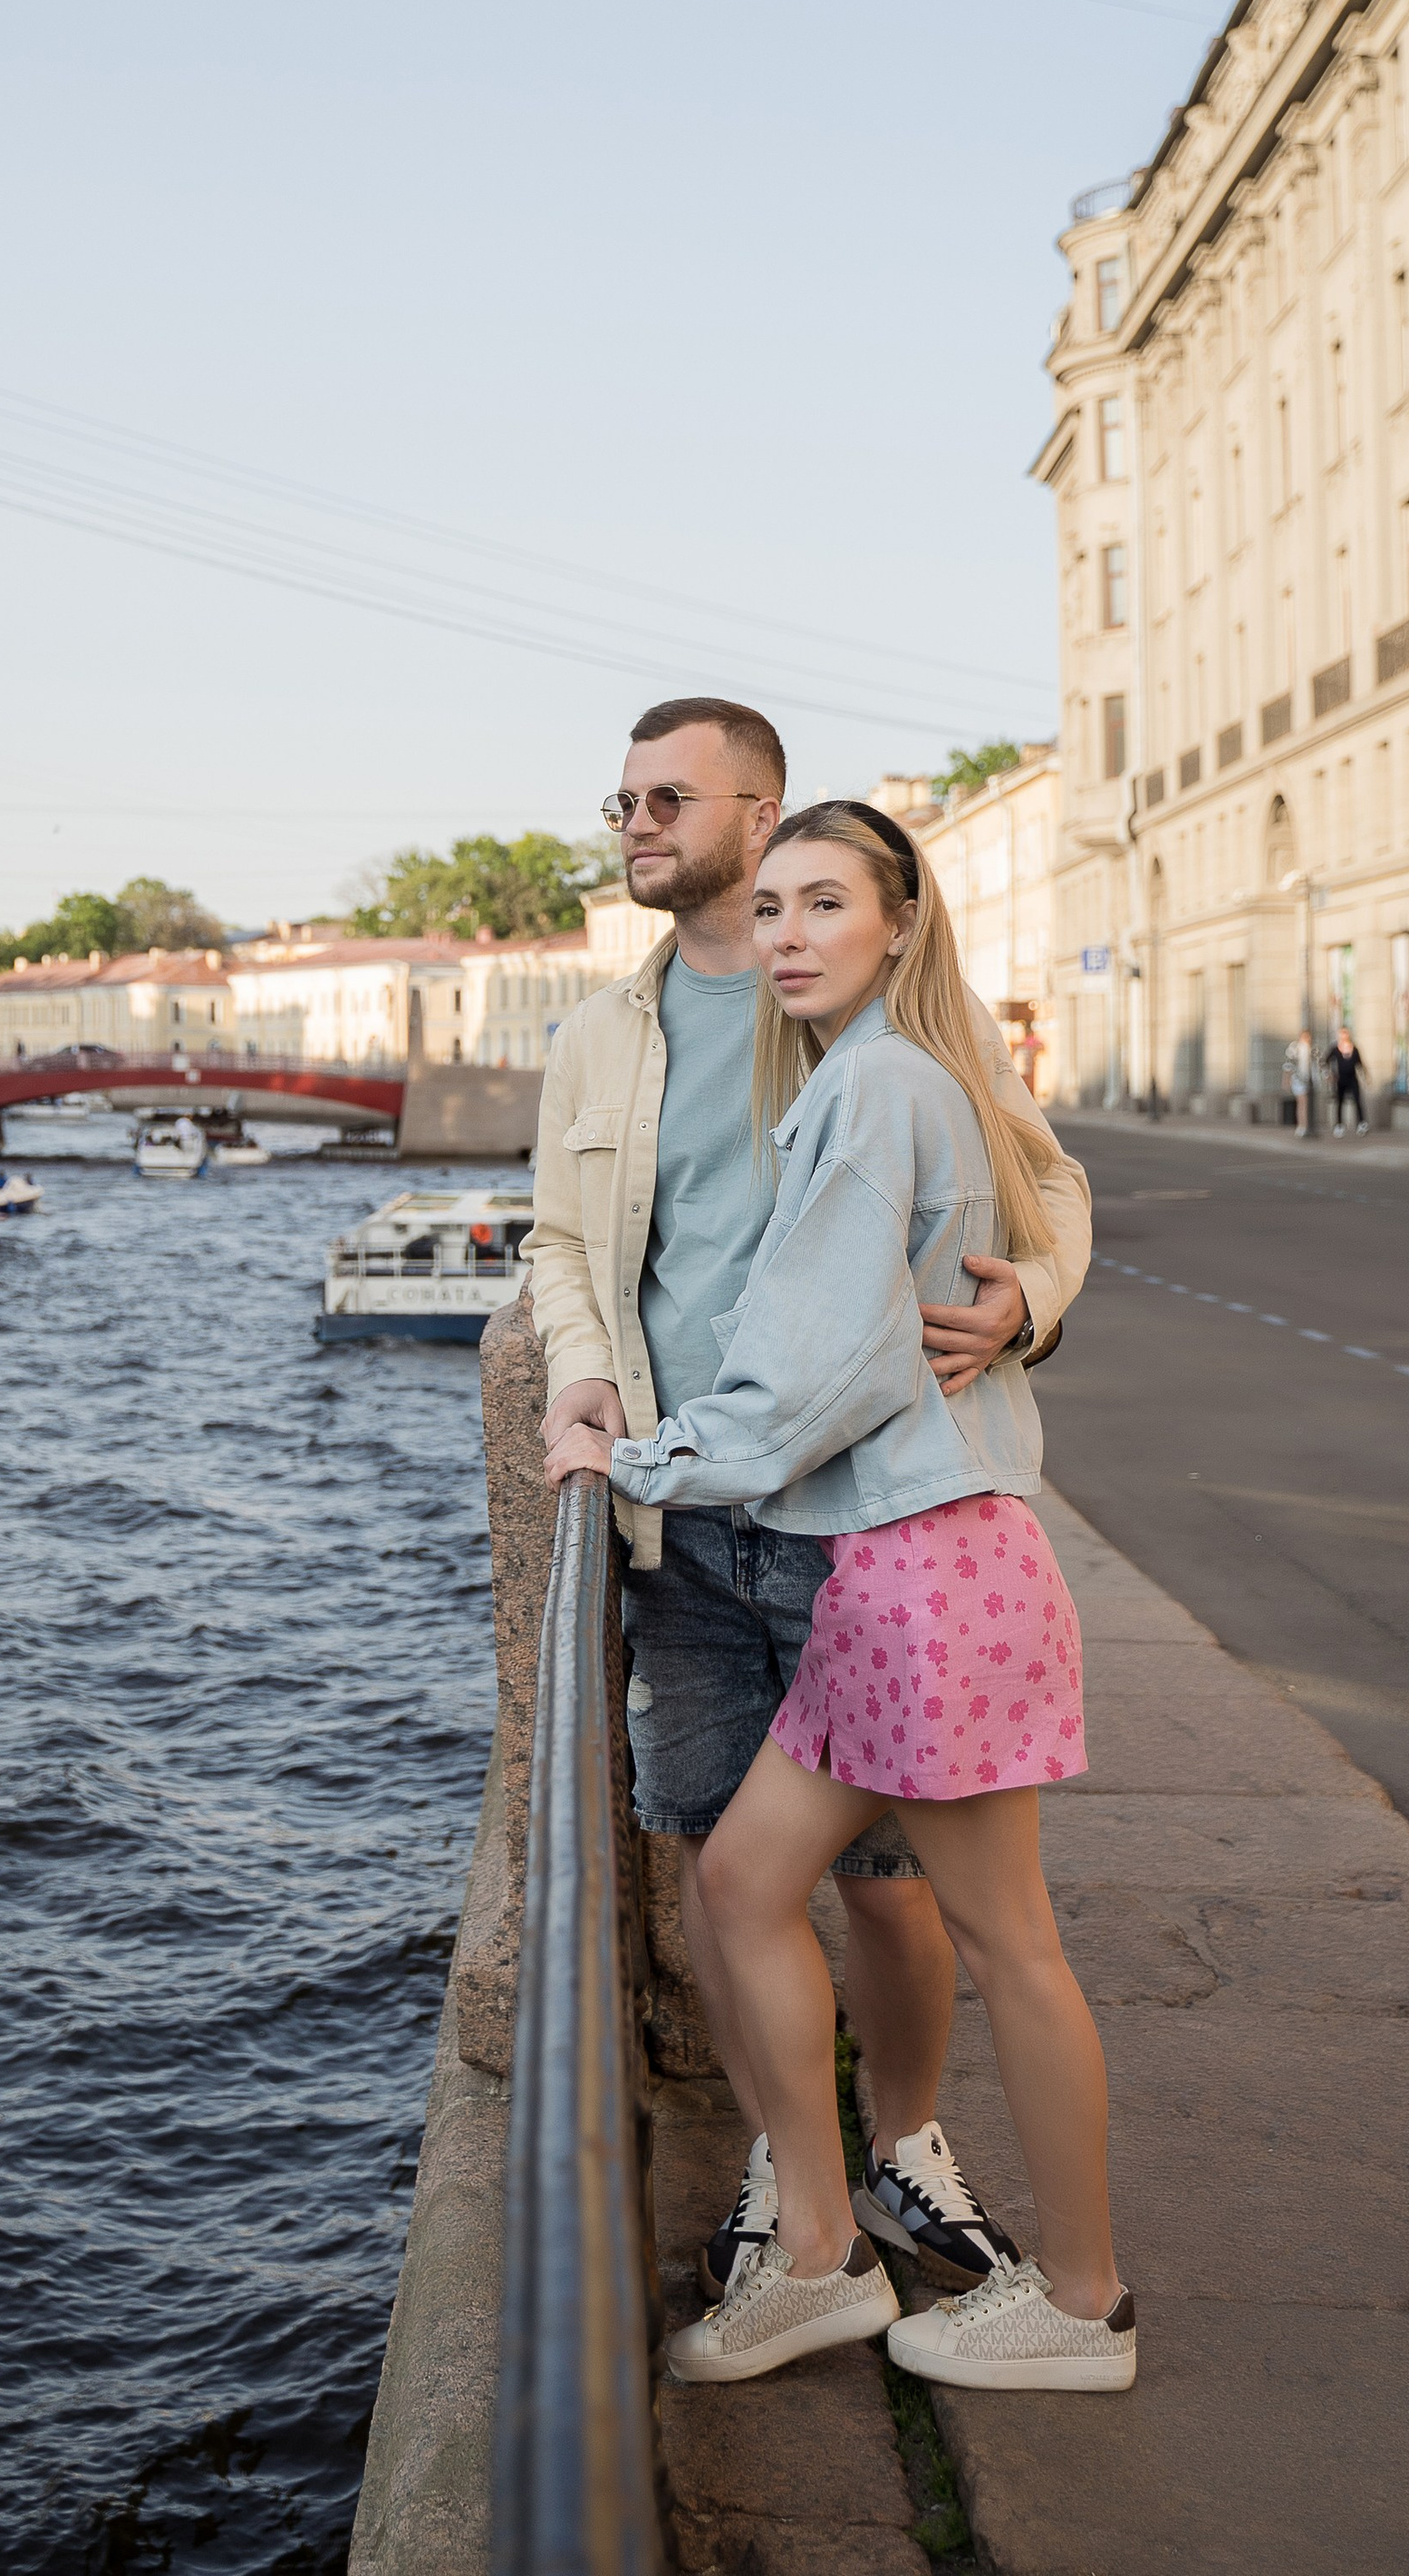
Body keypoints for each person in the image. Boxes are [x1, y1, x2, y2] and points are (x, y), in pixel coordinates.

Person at [545, 802, 1131, 2391]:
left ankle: (1080, 2306)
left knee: (1009, 1942)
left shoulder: (873, 1085)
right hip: (901, 1567)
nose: (793, 933)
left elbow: (809, 1371)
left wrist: (638, 1461)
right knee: (742, 1884)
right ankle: (817, 2256)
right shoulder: (890, 1074)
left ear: (896, 924)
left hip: (924, 1564)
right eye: (781, 906)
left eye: (828, 904)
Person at [1328, 1027, 1368, 1135]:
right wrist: (1330, 1075)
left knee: (1357, 1100)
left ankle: (1361, 1123)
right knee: (1340, 1101)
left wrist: (1366, 1076)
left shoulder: (1354, 1049)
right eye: (1342, 1034)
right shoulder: (1335, 1049)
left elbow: (1360, 1064)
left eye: (1346, 1034)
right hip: (1341, 1079)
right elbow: (1326, 1061)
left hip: (1352, 1078)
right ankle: (1339, 1124)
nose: (1344, 1036)